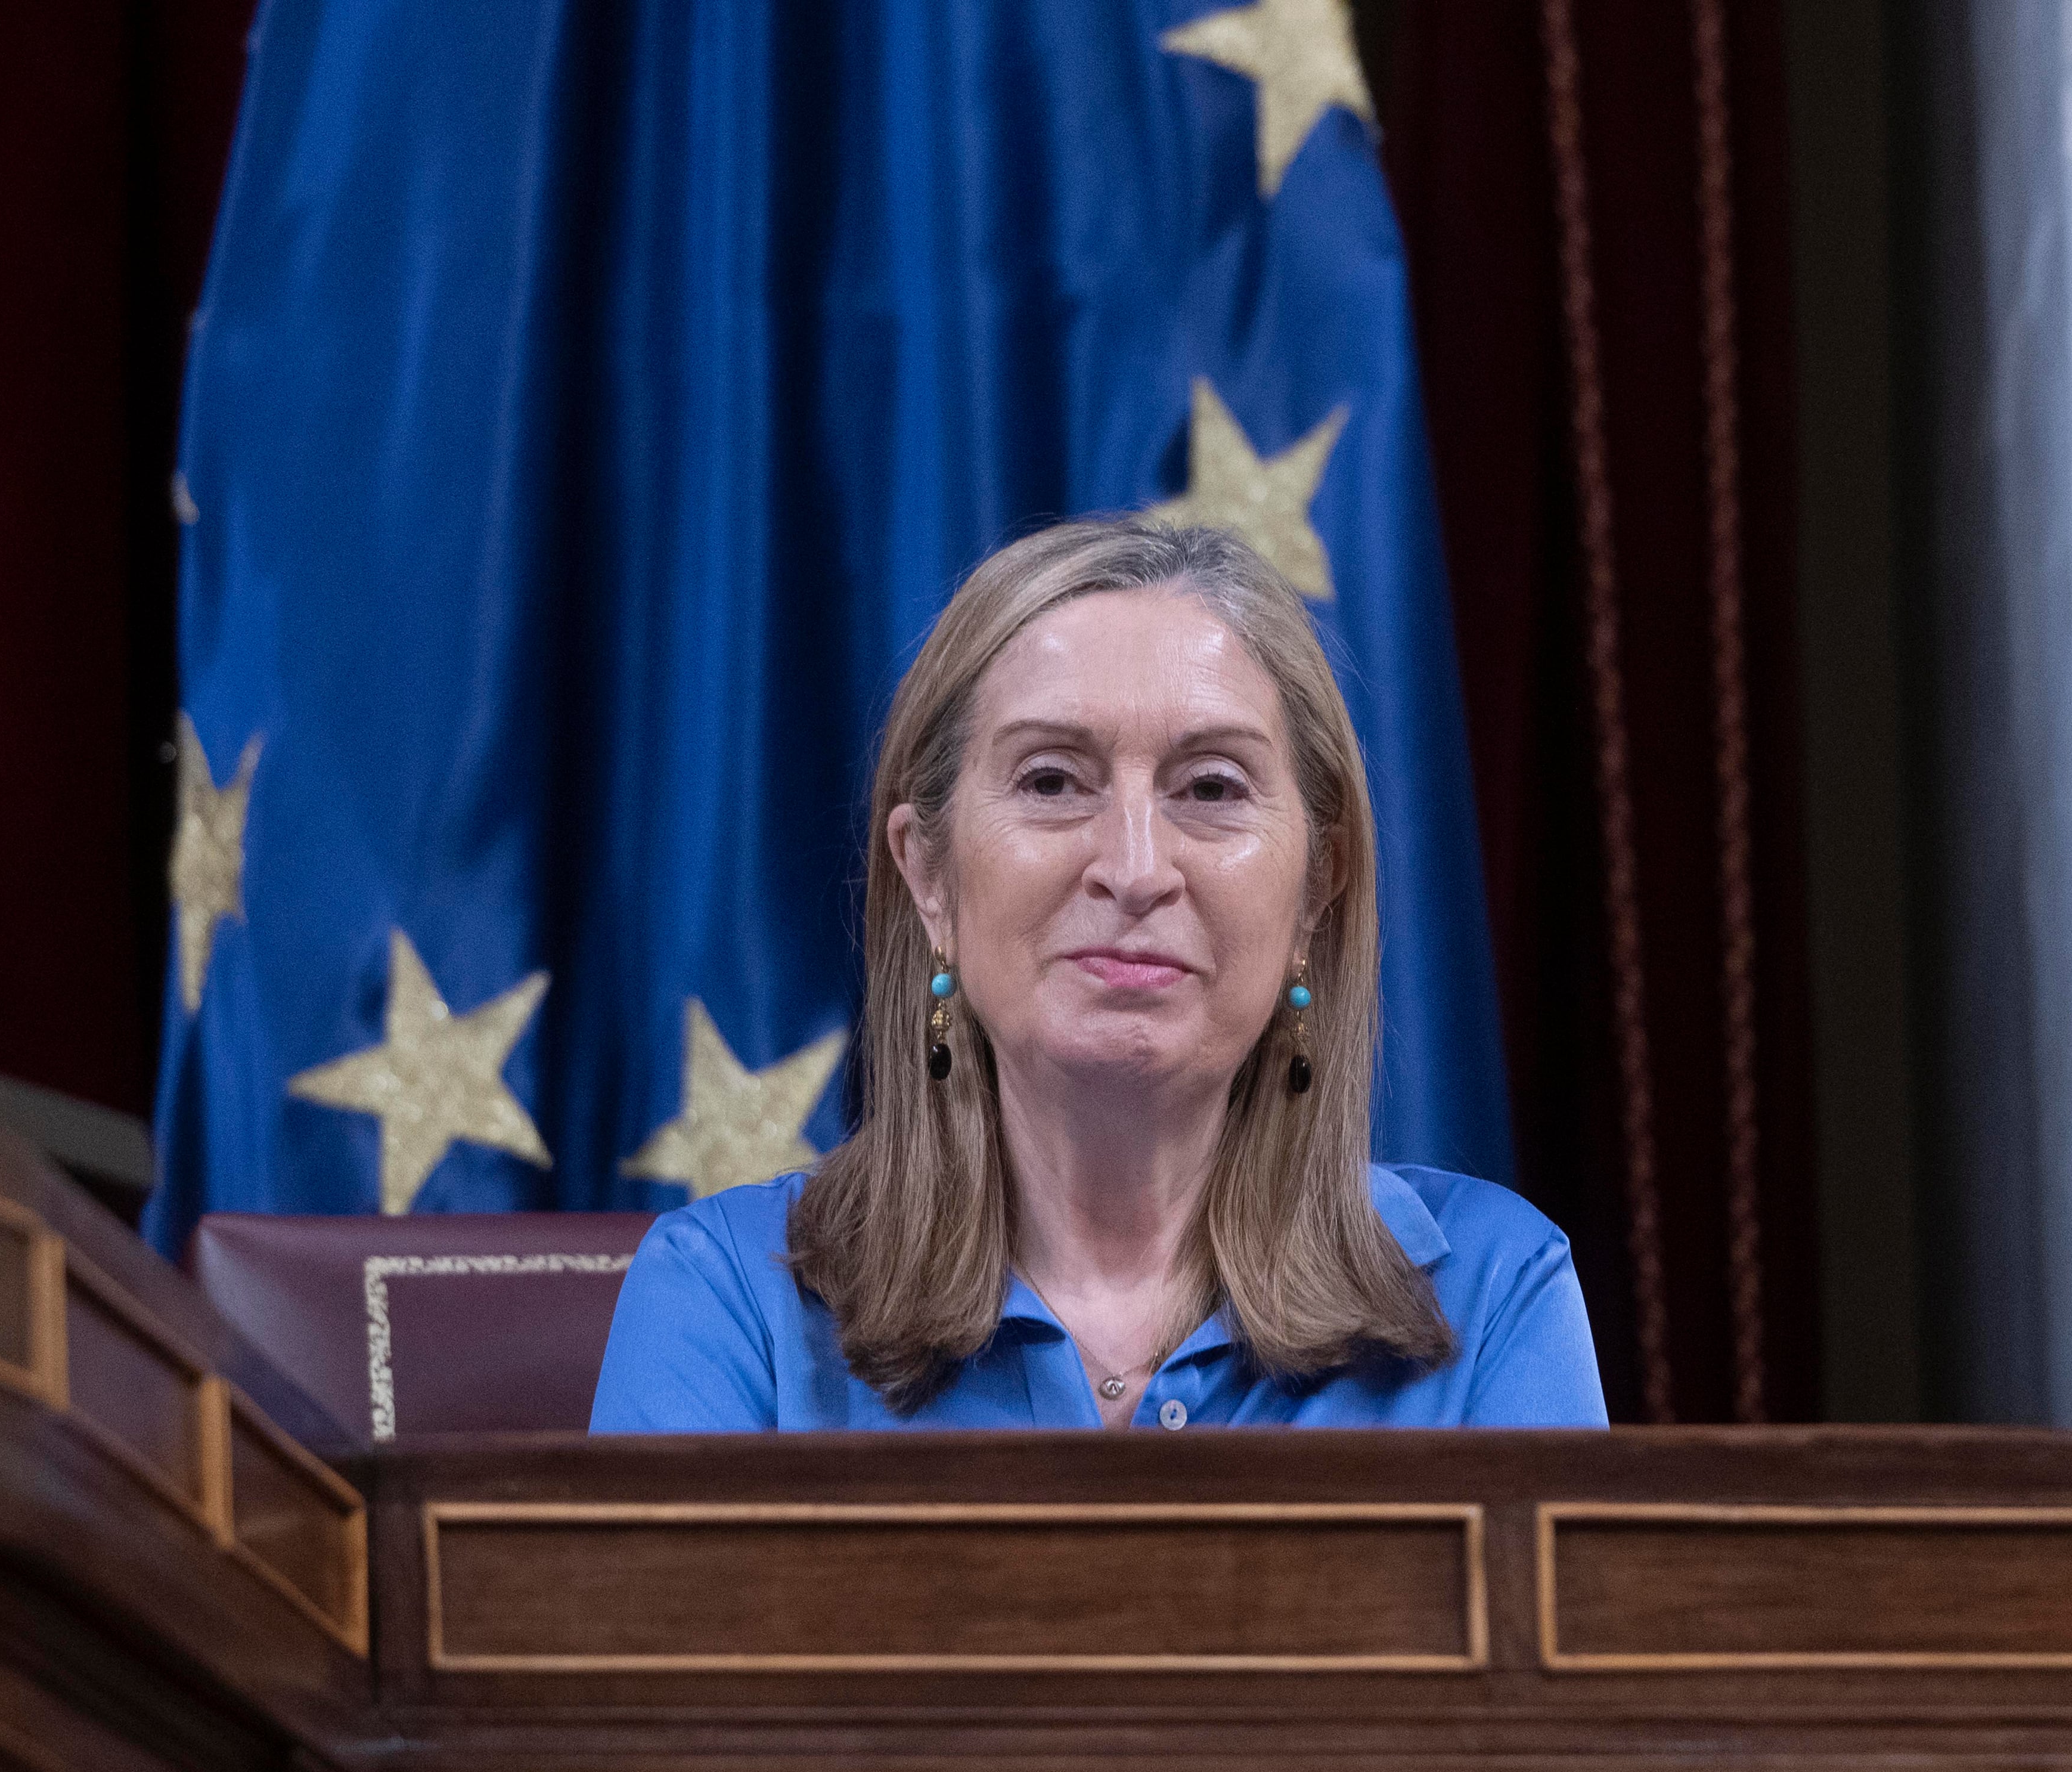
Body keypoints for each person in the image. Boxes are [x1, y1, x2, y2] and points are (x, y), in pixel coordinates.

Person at [590, 519, 1607, 1430]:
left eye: (1211, 787)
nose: (1132, 868)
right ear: (928, 876)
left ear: (1317, 893)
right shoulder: (728, 1301)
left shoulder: (1491, 1293)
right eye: (1050, 781)